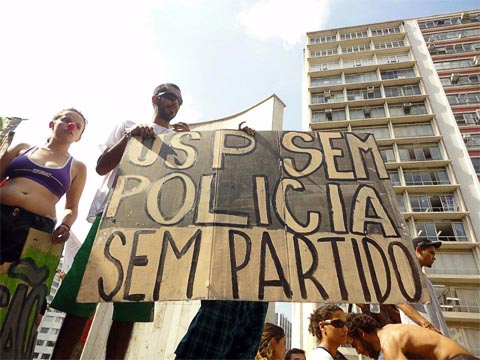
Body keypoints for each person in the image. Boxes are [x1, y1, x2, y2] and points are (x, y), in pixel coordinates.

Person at [50, 83, 188, 360]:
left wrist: (189, 142)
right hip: (112, 217)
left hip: (152, 226)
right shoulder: (128, 125)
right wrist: (131, 136)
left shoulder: (182, 138)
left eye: (179, 101)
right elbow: (102, 166)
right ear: (156, 99)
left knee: (130, 308)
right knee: (83, 297)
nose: (175, 103)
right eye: (170, 97)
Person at [173, 122, 267, 360]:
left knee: (241, 351)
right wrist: (189, 144)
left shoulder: (268, 186)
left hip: (259, 287)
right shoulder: (220, 184)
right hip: (225, 280)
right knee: (206, 347)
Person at [1, 108, 87, 263]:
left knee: (10, 282)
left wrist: (66, 225)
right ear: (52, 124)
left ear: (78, 138)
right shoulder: (22, 148)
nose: (71, 125)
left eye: (78, 126)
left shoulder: (77, 167)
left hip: (35, 227)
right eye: (66, 120)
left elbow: (72, 207)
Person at [346, 313, 477, 360]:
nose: (358, 351)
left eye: (355, 345)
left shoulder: (388, 340)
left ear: (362, 334)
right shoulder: (390, 330)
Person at [396, 236, 449, 336]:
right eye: (431, 252)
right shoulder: (406, 273)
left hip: (437, 336)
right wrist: (426, 324)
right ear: (418, 250)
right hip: (420, 335)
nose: (434, 257)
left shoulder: (425, 279)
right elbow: (399, 301)